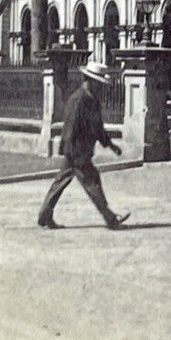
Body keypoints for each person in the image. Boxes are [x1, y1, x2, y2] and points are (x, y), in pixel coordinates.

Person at [37, 61, 129, 230]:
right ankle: (110, 218)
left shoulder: (92, 100)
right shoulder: (78, 100)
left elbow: (97, 127)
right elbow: (70, 126)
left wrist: (110, 145)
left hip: (81, 151)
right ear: (89, 80)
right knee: (91, 182)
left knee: (61, 181)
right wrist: (71, 151)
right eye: (98, 83)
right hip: (77, 151)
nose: (101, 87)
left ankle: (45, 215)